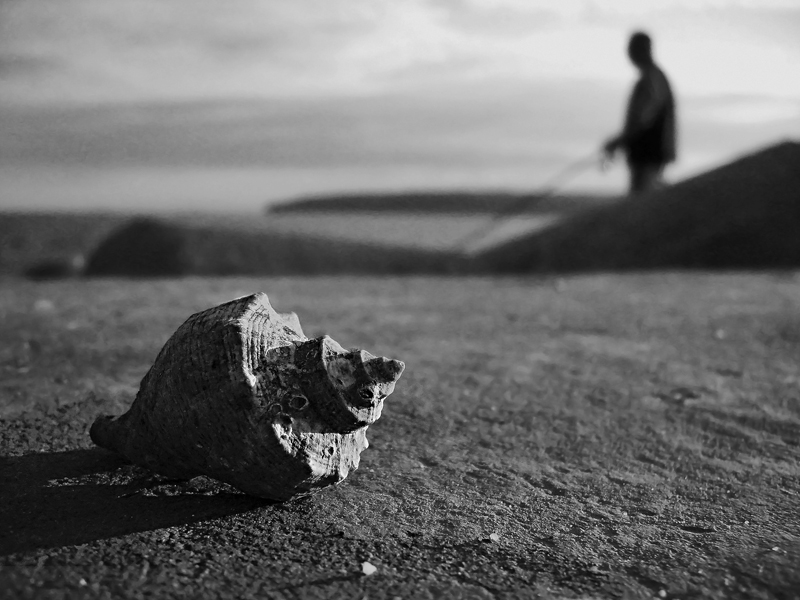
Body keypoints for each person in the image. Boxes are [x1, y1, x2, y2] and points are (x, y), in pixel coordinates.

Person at [604, 31, 676, 194]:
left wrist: (620, 140)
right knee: (645, 194)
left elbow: (645, 118)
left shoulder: (653, 78)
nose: (629, 53)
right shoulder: (651, 78)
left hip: (649, 152)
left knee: (644, 195)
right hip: (645, 152)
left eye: (632, 48)